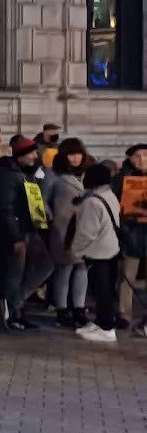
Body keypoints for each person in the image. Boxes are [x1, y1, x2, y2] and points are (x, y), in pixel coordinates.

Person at [0, 136, 53, 332]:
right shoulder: (8, 175)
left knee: (45, 266)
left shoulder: (26, 173)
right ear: (21, 155)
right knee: (15, 274)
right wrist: (15, 237)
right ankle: (12, 313)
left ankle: (16, 302)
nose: (35, 156)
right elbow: (4, 208)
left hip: (29, 229)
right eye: (31, 153)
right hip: (16, 233)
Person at [70, 163, 122, 343]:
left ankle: (107, 328)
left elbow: (86, 232)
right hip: (111, 249)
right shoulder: (109, 195)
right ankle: (101, 322)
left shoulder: (92, 202)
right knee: (106, 288)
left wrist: (75, 249)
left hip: (97, 252)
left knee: (101, 291)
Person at [49, 139, 92, 329]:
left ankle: (79, 308)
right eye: (71, 154)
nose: (76, 158)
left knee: (82, 268)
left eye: (78, 154)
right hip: (63, 228)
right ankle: (61, 309)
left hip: (86, 228)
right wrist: (52, 220)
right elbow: (43, 200)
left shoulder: (88, 175)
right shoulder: (54, 175)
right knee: (65, 269)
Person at [113, 142, 147, 334]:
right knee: (127, 276)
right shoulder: (121, 179)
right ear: (130, 159)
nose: (142, 159)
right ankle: (124, 313)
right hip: (131, 233)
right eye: (137, 156)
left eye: (145, 155)